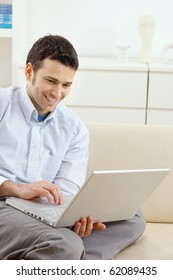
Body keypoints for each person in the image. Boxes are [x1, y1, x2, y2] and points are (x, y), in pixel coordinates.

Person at [0, 34, 145, 260]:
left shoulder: (74, 127)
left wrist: (76, 215)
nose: (57, 94)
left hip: (44, 210)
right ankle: (63, 253)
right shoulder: (3, 105)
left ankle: (63, 261)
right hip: (4, 205)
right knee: (64, 244)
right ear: (29, 72)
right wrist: (16, 188)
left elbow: (67, 187)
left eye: (66, 85)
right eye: (51, 81)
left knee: (132, 218)